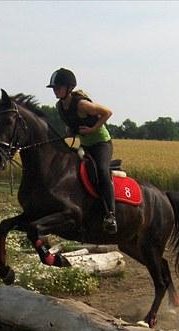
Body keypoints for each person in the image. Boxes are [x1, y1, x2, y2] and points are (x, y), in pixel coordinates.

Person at [47, 68, 117, 234]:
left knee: (101, 170)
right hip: (85, 145)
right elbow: (70, 123)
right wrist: (70, 131)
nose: (55, 90)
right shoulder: (60, 106)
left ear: (69, 87)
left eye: (58, 87)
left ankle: (111, 215)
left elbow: (107, 113)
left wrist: (93, 129)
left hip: (101, 143)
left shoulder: (82, 104)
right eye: (54, 88)